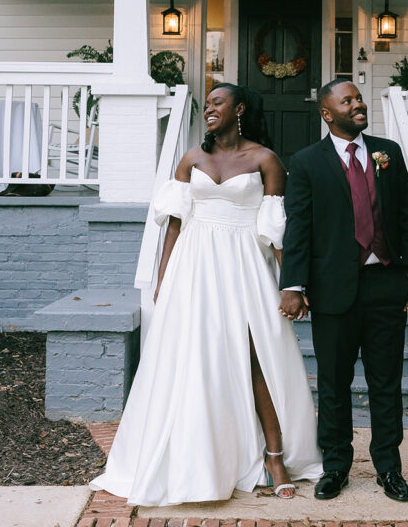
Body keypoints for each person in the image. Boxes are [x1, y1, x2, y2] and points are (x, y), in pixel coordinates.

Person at [91, 83, 322, 506]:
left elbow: (275, 230)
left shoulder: (265, 160)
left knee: (256, 356)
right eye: (208, 104)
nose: (209, 110)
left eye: (218, 103)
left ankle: (274, 457)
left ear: (240, 109)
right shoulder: (192, 158)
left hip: (244, 266)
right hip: (192, 266)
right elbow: (175, 223)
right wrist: (163, 278)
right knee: (193, 358)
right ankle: (196, 458)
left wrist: (291, 283)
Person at [279, 80, 408, 503]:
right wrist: (293, 284)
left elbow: (405, 213)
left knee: (386, 382)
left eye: (359, 97)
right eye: (348, 101)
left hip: (385, 284)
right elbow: (299, 228)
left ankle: (388, 468)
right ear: (328, 113)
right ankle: (336, 466)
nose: (358, 104)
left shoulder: (387, 153)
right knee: (334, 383)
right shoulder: (307, 162)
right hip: (332, 291)